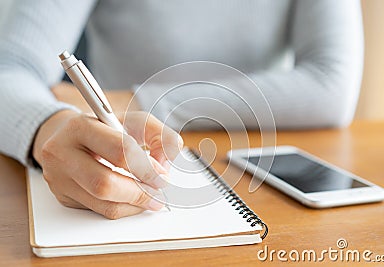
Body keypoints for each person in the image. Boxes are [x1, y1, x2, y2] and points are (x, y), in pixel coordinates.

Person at [0, 0, 364, 218]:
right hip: (114, 155)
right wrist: (52, 126)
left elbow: (332, 84)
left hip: (252, 169)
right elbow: (10, 69)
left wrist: (136, 100)